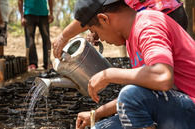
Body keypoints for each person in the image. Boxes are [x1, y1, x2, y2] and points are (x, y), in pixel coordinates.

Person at [70, 0, 195, 128]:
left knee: (130, 95)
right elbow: (144, 94)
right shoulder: (132, 39)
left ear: (104, 19)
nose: (101, 39)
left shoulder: (148, 25)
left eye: (95, 31)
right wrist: (96, 113)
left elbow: (163, 77)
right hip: (175, 108)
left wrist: (109, 74)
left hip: (190, 106)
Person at [52, 0, 188, 59]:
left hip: (162, 13)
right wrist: (97, 27)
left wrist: (64, 36)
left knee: (158, 75)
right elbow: (98, 7)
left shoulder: (148, 27)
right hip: (167, 10)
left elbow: (161, 76)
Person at [18, 0, 54, 70]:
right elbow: (20, 1)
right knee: (30, 40)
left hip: (43, 14)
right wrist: (22, 16)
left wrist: (51, 13)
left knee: (46, 39)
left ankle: (47, 62)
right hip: (29, 14)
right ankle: (32, 63)